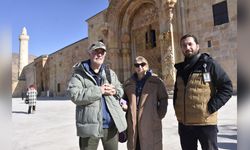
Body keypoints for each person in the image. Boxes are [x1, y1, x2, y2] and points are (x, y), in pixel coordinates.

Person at [173, 34, 233, 150]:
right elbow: (177, 92)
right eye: (184, 45)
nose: (187, 47)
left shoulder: (209, 64)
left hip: (205, 123)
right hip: (185, 124)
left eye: (190, 44)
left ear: (197, 46)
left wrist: (210, 107)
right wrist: (177, 109)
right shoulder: (180, 69)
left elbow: (227, 87)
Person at [67, 41, 127, 150]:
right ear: (89, 53)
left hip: (111, 126)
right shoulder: (79, 74)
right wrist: (99, 90)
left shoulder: (110, 73)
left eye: (102, 52)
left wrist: (115, 91)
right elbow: (74, 95)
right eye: (96, 52)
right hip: (90, 128)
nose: (99, 54)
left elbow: (120, 89)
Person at [123, 56, 168, 150]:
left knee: (151, 145)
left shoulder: (156, 81)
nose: (139, 67)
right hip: (133, 123)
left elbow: (163, 98)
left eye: (142, 64)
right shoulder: (128, 82)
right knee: (136, 145)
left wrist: (158, 115)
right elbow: (124, 99)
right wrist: (124, 105)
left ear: (147, 66)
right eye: (137, 65)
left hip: (150, 122)